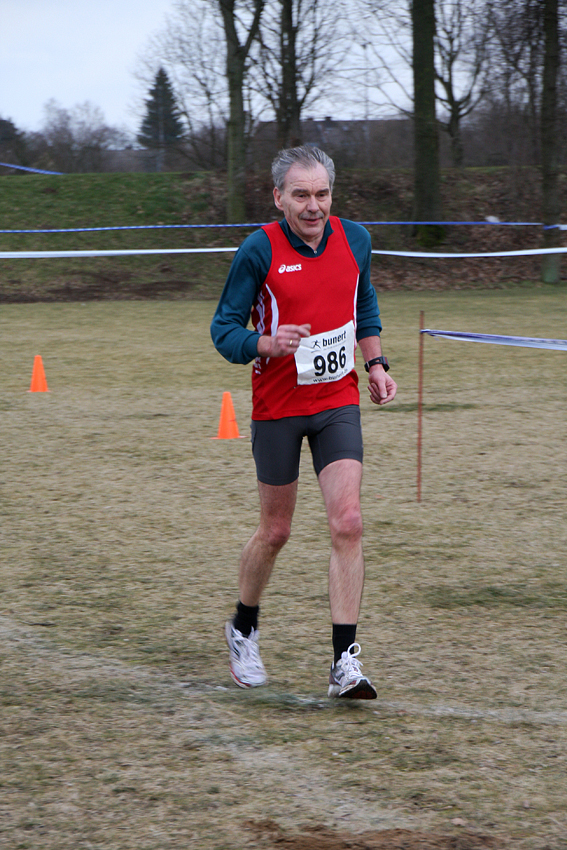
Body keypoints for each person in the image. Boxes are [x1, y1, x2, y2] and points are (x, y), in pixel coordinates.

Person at [210, 145, 397, 699]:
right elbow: (223, 330)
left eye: (321, 194)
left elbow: (363, 306)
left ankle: (345, 662)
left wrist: (376, 362)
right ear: (278, 197)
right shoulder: (258, 250)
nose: (313, 206)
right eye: (301, 195)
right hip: (278, 407)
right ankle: (243, 627)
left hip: (337, 401)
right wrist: (266, 341)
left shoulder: (355, 239)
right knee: (277, 531)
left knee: (349, 521)